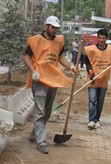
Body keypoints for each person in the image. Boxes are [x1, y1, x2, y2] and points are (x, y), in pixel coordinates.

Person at [21, 16, 77, 154]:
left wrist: (70, 67)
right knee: (40, 111)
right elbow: (25, 56)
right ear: (46, 26)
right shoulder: (36, 40)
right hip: (39, 80)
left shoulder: (58, 41)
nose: (54, 30)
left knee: (47, 112)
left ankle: (35, 134)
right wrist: (33, 71)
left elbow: (60, 57)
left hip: (53, 80)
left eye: (56, 28)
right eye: (52, 27)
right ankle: (41, 142)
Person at [81, 28, 111, 130]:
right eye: (100, 38)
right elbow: (87, 62)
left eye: (103, 38)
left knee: (100, 101)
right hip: (93, 79)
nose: (101, 40)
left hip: (103, 80)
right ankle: (92, 120)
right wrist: (91, 72)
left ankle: (97, 119)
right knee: (92, 100)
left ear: (106, 38)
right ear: (97, 38)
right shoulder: (91, 49)